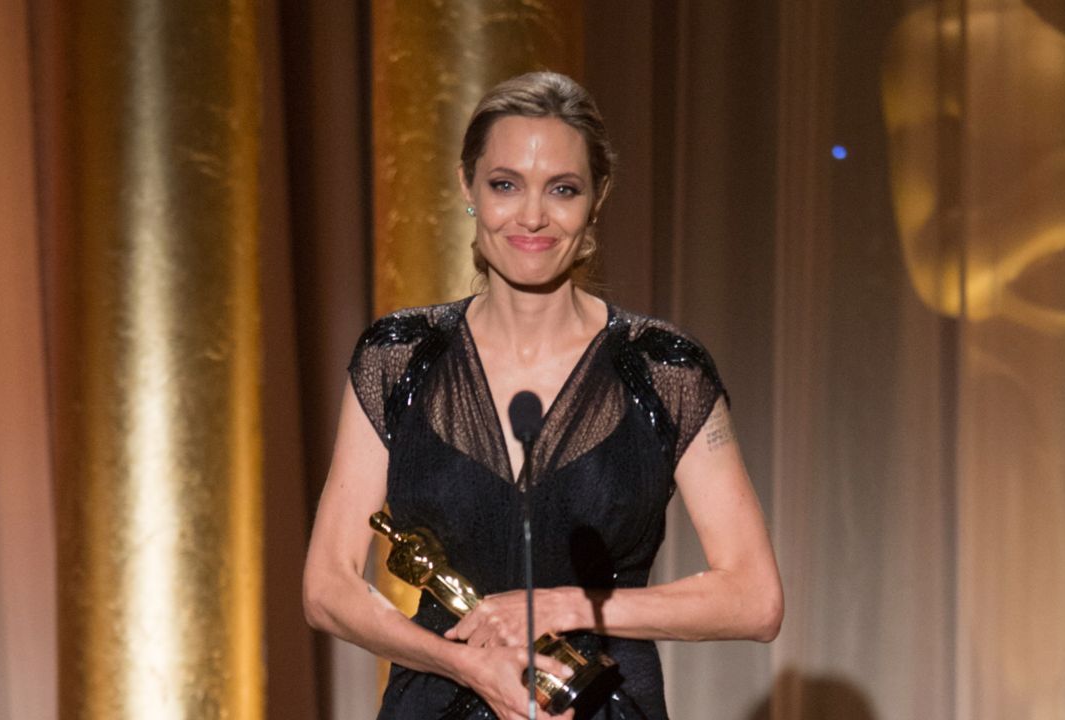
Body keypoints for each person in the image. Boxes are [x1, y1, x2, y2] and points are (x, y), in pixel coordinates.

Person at [303, 71, 783, 720]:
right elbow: (327, 585)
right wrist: (463, 660)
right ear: (467, 186)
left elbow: (754, 598)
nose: (532, 216)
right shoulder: (399, 358)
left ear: (597, 197)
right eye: (505, 185)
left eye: (562, 189)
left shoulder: (666, 370)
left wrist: (565, 606)